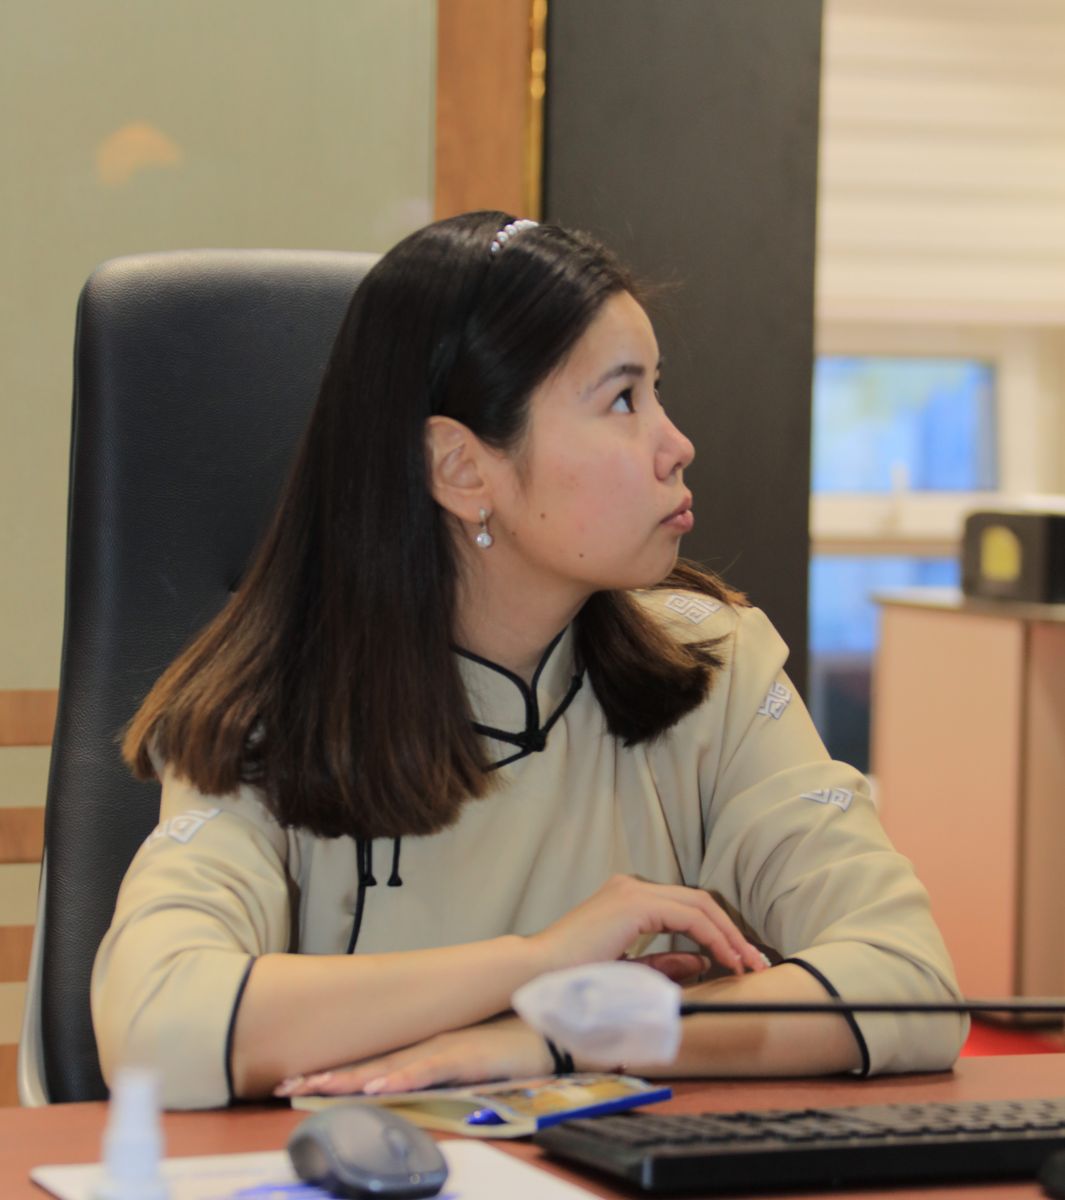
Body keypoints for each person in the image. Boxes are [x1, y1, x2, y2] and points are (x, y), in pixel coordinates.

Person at [91, 212, 966, 1110]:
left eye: (657, 391)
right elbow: (156, 1028)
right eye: (622, 401)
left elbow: (908, 982)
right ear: (462, 469)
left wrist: (552, 1036)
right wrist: (540, 963)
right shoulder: (266, 714)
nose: (676, 444)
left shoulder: (714, 666)